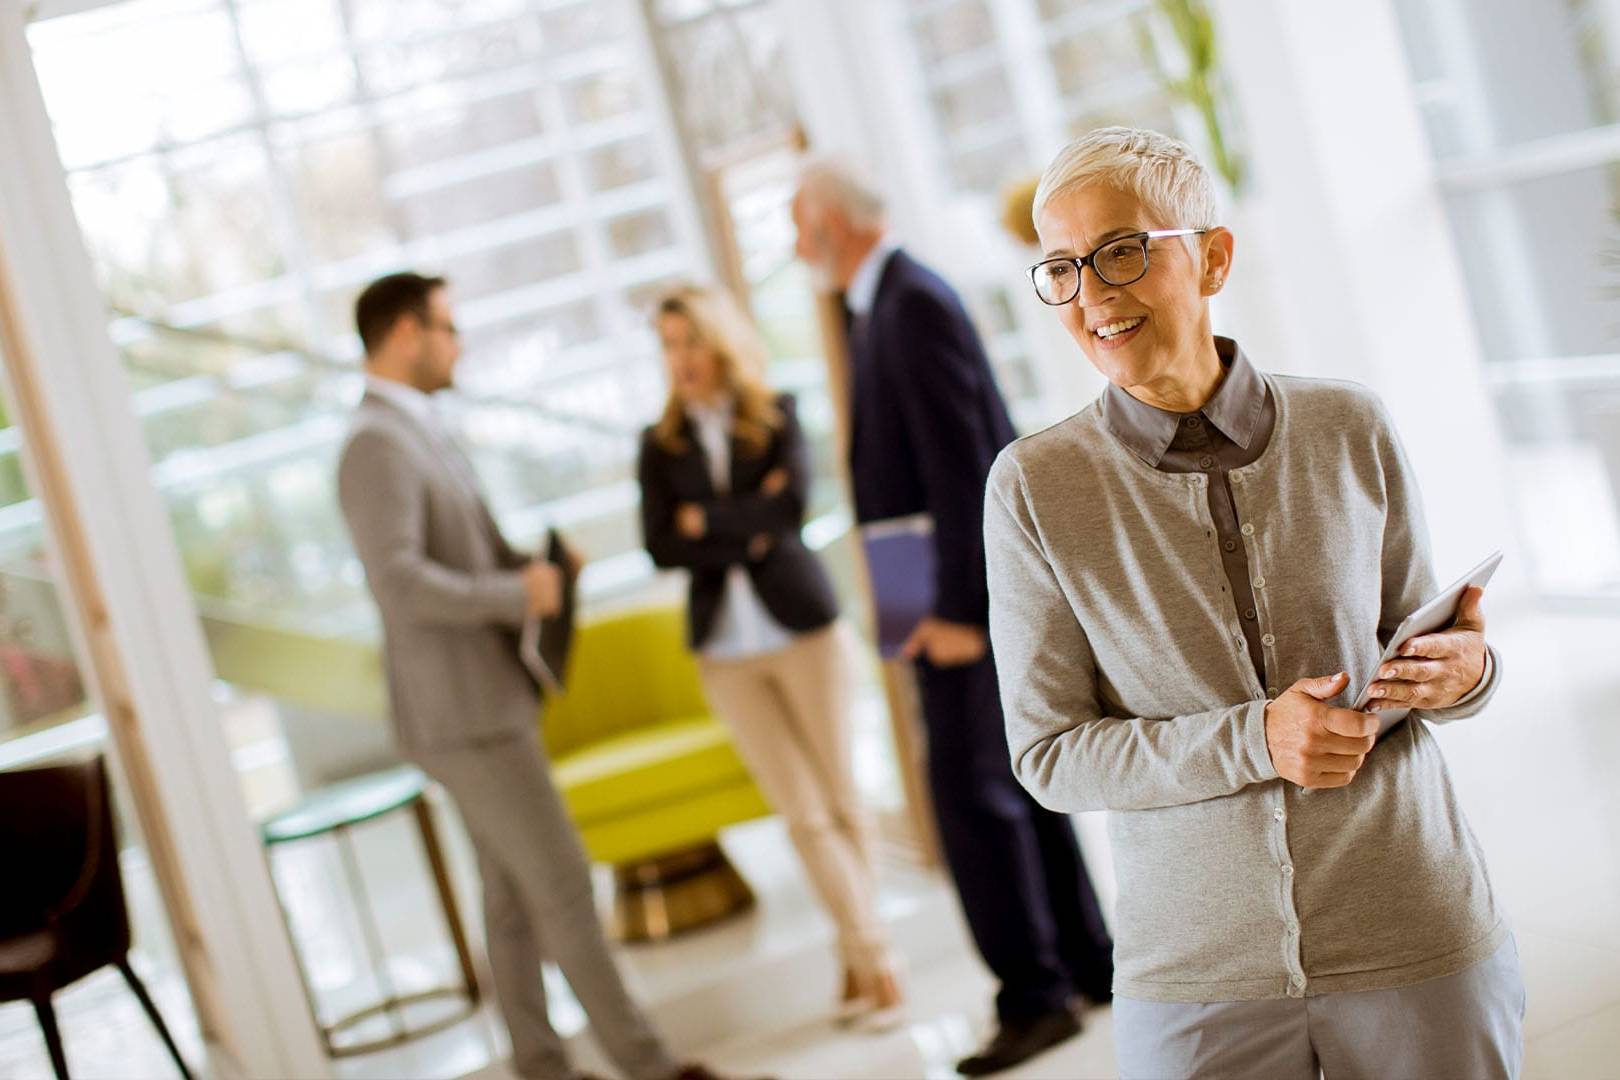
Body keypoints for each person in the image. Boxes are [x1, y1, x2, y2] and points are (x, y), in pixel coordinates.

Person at [985, 127, 1522, 1079]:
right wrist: (1255, 738)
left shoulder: (1348, 424)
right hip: (1194, 970)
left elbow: (1416, 636)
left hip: (1413, 920)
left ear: (1213, 255)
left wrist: (1468, 670)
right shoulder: (1033, 487)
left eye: (1121, 251)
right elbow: (1049, 756)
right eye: (1062, 268)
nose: (1094, 294)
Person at [336, 272, 715, 1080]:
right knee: (565, 887)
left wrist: (536, 568)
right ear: (405, 333)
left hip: (483, 701)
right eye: (447, 326)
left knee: (511, 903)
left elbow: (455, 556)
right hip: (463, 713)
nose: (457, 342)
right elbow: (399, 584)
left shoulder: (417, 429)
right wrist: (518, 593)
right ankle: (648, 1067)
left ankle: (540, 1066)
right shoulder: (375, 443)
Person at [792, 161, 1114, 1076]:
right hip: (925, 594)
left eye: (796, 225)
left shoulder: (910, 301)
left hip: (959, 601)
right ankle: (1088, 965)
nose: (791, 245)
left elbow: (966, 461)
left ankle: (1035, 993)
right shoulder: (878, 302)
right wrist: (902, 619)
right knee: (1005, 784)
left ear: (829, 225)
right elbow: (896, 487)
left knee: (971, 798)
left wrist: (960, 614)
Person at [636, 283, 904, 1028]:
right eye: (666, 344)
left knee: (844, 802)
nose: (679, 358)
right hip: (725, 651)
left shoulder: (777, 412)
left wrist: (707, 522)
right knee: (803, 816)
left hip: (806, 635)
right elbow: (661, 543)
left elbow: (790, 513)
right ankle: (876, 959)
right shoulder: (658, 446)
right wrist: (742, 521)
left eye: (689, 340)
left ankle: (861, 962)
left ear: (719, 341)